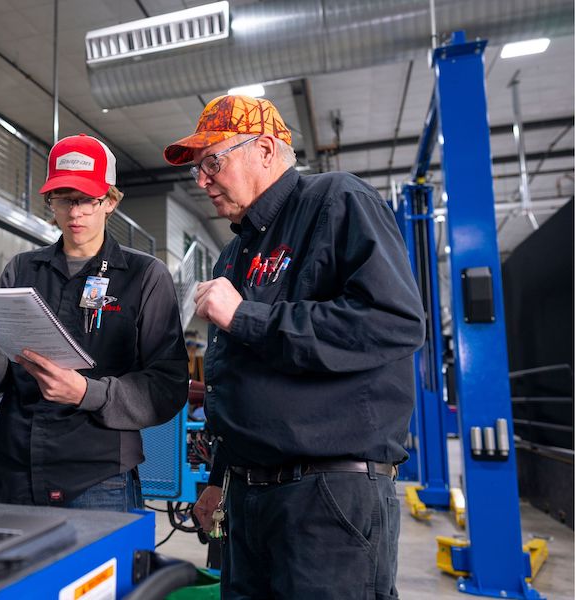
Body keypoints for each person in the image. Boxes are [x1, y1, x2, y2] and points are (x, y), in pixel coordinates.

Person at [163, 95, 426, 598]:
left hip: (328, 496)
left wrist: (245, 315)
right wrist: (219, 478)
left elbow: (392, 321)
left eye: (212, 162)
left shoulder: (336, 201)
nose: (202, 181)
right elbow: (245, 372)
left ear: (264, 149)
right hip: (249, 496)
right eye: (198, 169)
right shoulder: (234, 255)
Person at [0, 133, 188, 512]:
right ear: (50, 203)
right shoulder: (23, 269)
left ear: (109, 201)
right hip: (14, 471)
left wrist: (85, 392)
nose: (75, 213)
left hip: (97, 480)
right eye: (63, 200)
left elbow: (167, 387)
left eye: (87, 200)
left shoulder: (144, 276)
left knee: (96, 574)